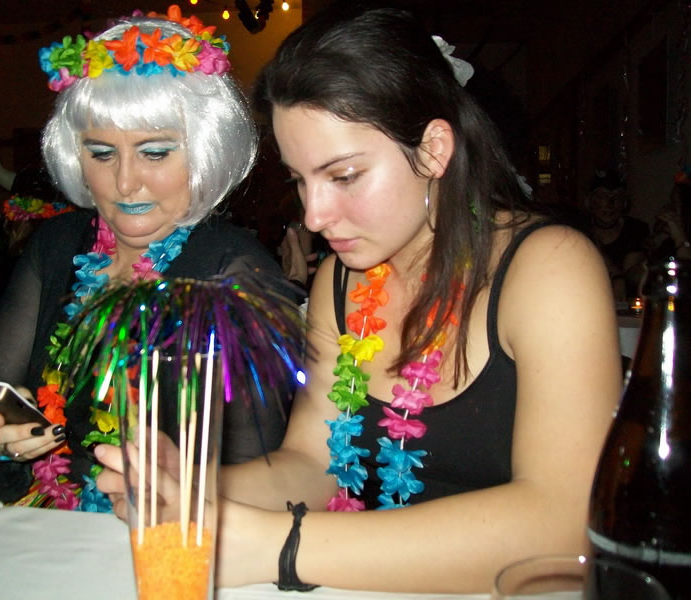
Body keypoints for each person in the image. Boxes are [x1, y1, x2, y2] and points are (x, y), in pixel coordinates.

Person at [95, 0, 621, 592]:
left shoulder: (549, 268)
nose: (314, 216)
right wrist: (195, 489)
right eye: (300, 180)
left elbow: (566, 522)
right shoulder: (338, 281)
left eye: (343, 175)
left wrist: (280, 547)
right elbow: (314, 463)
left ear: (433, 150)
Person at [0, 5, 294, 510]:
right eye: (102, 153)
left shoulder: (235, 270)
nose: (126, 182)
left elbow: (264, 474)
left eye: (154, 153)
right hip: (47, 518)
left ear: (204, 153)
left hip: (172, 537)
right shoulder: (56, 245)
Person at [585, 169, 649, 300]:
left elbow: (632, 274)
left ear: (624, 203)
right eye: (603, 196)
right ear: (590, 200)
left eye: (617, 197)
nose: (610, 204)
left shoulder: (635, 229)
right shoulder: (580, 228)